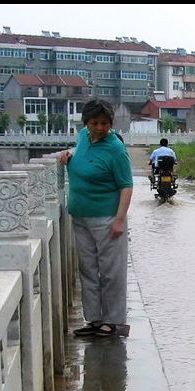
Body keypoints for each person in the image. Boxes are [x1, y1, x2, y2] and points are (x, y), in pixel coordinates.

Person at [56, 99, 134, 338]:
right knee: (88, 270)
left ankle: (113, 321)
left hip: (107, 218)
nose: (99, 127)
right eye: (94, 123)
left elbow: (126, 186)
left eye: (104, 123)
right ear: (86, 123)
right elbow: (80, 152)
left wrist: (119, 220)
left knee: (110, 272)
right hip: (80, 216)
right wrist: (68, 154)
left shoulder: (116, 150)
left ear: (110, 123)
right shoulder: (83, 137)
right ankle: (94, 319)